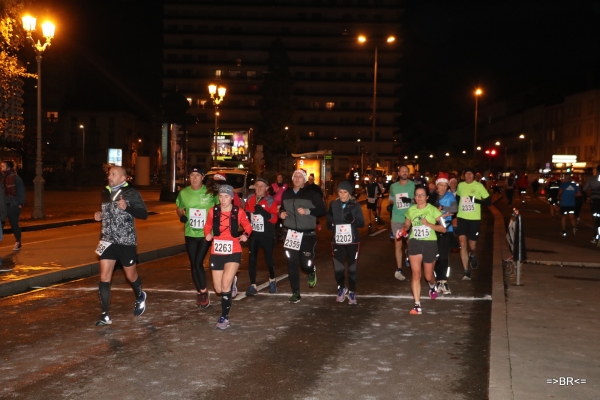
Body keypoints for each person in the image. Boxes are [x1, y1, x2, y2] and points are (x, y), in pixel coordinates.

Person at [93, 166, 148, 326]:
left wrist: (127, 208)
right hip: (107, 240)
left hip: (126, 241)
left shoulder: (131, 193)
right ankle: (105, 314)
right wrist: (99, 214)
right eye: (109, 174)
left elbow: (143, 214)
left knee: (131, 276)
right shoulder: (105, 192)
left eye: (113, 174)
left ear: (123, 178)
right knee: (104, 276)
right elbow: (106, 211)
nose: (109, 176)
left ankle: (140, 296)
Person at [204, 185, 252, 329]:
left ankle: (224, 317)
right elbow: (207, 226)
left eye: (226, 197)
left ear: (232, 197)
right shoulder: (214, 211)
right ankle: (233, 281)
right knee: (218, 290)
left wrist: (245, 235)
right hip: (217, 251)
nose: (223, 200)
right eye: (220, 196)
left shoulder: (239, 211)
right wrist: (207, 233)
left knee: (225, 286)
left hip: (233, 250)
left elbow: (248, 226)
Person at [397, 185, 446, 315]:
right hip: (415, 243)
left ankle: (432, 285)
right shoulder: (411, 210)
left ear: (427, 197)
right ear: (414, 197)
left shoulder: (434, 210)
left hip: (430, 244)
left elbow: (443, 228)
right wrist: (404, 229)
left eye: (422, 195)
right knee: (416, 274)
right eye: (417, 195)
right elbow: (407, 224)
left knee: (428, 276)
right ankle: (417, 305)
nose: (419, 197)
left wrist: (428, 224)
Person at [279, 169, 327, 303]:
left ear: (305, 180)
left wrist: (308, 211)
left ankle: (311, 271)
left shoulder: (312, 193)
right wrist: (281, 214)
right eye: (295, 176)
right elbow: (282, 208)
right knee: (292, 263)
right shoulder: (286, 194)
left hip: (307, 234)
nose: (297, 178)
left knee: (305, 264)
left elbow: (323, 210)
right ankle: (296, 292)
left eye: (300, 176)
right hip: (290, 234)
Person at [175, 166, 217, 309]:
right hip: (190, 233)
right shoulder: (184, 193)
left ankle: (203, 291)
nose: (194, 178)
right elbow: (179, 207)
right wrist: (182, 216)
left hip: (206, 234)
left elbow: (218, 208)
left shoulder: (210, 193)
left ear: (202, 177)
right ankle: (201, 291)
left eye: (197, 175)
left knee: (198, 262)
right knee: (193, 264)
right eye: (192, 175)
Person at [326, 180, 365, 304]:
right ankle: (341, 288)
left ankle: (352, 292)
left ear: (350, 193)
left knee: (352, 269)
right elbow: (329, 219)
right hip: (337, 240)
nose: (342, 195)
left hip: (352, 241)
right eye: (340, 192)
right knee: (338, 269)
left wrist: (353, 220)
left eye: (345, 192)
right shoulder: (333, 204)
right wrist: (330, 224)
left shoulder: (355, 205)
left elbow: (362, 223)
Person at [455, 167, 491, 280]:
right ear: (464, 175)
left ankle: (472, 254)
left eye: (471, 174)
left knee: (472, 245)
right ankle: (466, 271)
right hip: (462, 217)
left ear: (474, 176)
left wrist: (475, 200)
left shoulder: (479, 186)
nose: (468, 176)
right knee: (463, 244)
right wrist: (454, 215)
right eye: (467, 174)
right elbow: (457, 199)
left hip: (474, 219)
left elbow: (489, 201)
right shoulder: (460, 185)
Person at [244, 177, 278, 295]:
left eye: (262, 186)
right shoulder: (250, 198)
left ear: (266, 188)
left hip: (267, 234)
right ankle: (253, 285)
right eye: (257, 185)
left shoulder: (270, 201)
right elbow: (247, 214)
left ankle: (272, 279)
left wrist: (262, 212)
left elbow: (274, 219)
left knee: (268, 259)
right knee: (252, 259)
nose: (259, 188)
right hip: (254, 234)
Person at [387, 165, 415, 281]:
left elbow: (418, 199)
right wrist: (390, 204)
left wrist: (407, 200)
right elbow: (391, 199)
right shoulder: (393, 186)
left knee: (410, 243)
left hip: (410, 218)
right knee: (398, 244)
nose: (404, 173)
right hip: (397, 219)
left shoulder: (413, 185)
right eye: (402, 171)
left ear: (408, 173)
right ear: (398, 173)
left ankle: (409, 253)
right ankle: (399, 269)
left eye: (406, 171)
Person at [433, 172, 457, 295]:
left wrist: (440, 210)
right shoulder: (432, 196)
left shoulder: (450, 196)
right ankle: (438, 281)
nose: (442, 188)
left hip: (447, 229)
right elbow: (427, 208)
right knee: (435, 257)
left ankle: (444, 281)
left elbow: (454, 209)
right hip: (433, 230)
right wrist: (439, 211)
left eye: (444, 185)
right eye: (440, 185)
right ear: (436, 185)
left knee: (443, 256)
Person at [1, 161, 25, 251]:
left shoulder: (16, 178)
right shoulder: (2, 178)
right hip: (3, 205)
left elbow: (21, 191)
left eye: (3, 166)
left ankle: (18, 242)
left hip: (13, 205)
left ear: (8, 168)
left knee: (14, 224)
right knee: (1, 224)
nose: (1, 168)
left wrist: (20, 203)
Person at [583, 165, 600, 243]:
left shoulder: (592, 179)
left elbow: (584, 189)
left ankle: (596, 236)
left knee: (596, 219)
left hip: (595, 200)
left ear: (597, 170)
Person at [271, 173, 288, 241]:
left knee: (282, 219)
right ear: (277, 178)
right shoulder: (273, 185)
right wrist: (275, 191)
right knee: (275, 219)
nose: (280, 178)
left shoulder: (285, 186)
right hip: (275, 205)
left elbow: (288, 194)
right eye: (278, 177)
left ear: (282, 178)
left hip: (283, 205)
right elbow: (270, 194)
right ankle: (274, 234)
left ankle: (281, 233)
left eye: (281, 177)